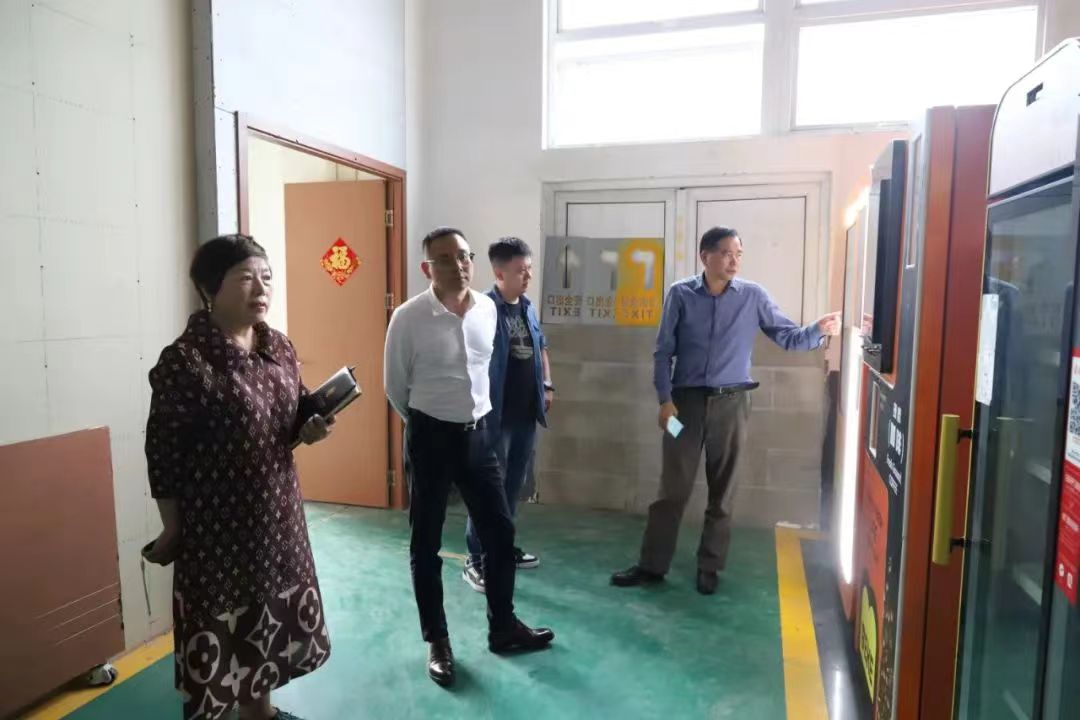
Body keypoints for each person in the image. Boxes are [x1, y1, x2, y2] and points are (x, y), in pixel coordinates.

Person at [143, 234, 334, 720]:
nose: (261, 288)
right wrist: (173, 526)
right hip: (217, 528)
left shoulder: (278, 345)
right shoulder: (185, 361)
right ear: (210, 288)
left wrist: (312, 425)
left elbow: (293, 410)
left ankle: (259, 713)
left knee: (264, 619)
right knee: (221, 625)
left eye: (266, 277)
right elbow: (163, 453)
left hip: (277, 516)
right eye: (246, 278)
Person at [611, 227, 840, 596]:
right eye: (726, 253)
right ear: (705, 256)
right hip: (683, 407)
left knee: (723, 490)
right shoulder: (680, 294)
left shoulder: (753, 296)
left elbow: (788, 337)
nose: (734, 261)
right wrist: (664, 401)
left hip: (732, 406)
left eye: (738, 254)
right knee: (672, 489)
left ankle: (710, 567)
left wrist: (819, 328)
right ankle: (651, 565)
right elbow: (663, 352)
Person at [384, 227, 554, 687]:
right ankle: (437, 641)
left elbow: (486, 372)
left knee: (500, 533)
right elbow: (395, 387)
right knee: (426, 544)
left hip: (479, 438)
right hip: (431, 437)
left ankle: (504, 627)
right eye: (445, 259)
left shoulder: (486, 309)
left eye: (464, 256)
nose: (458, 265)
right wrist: (428, 423)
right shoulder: (408, 317)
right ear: (427, 268)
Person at [461, 237, 553, 593]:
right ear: (499, 273)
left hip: (525, 416)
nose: (527, 276)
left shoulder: (527, 307)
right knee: (487, 492)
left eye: (529, 269)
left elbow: (541, 346)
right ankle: (476, 559)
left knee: (512, 488)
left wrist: (547, 385)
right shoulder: (483, 310)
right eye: (520, 271)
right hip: (493, 419)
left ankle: (502, 547)